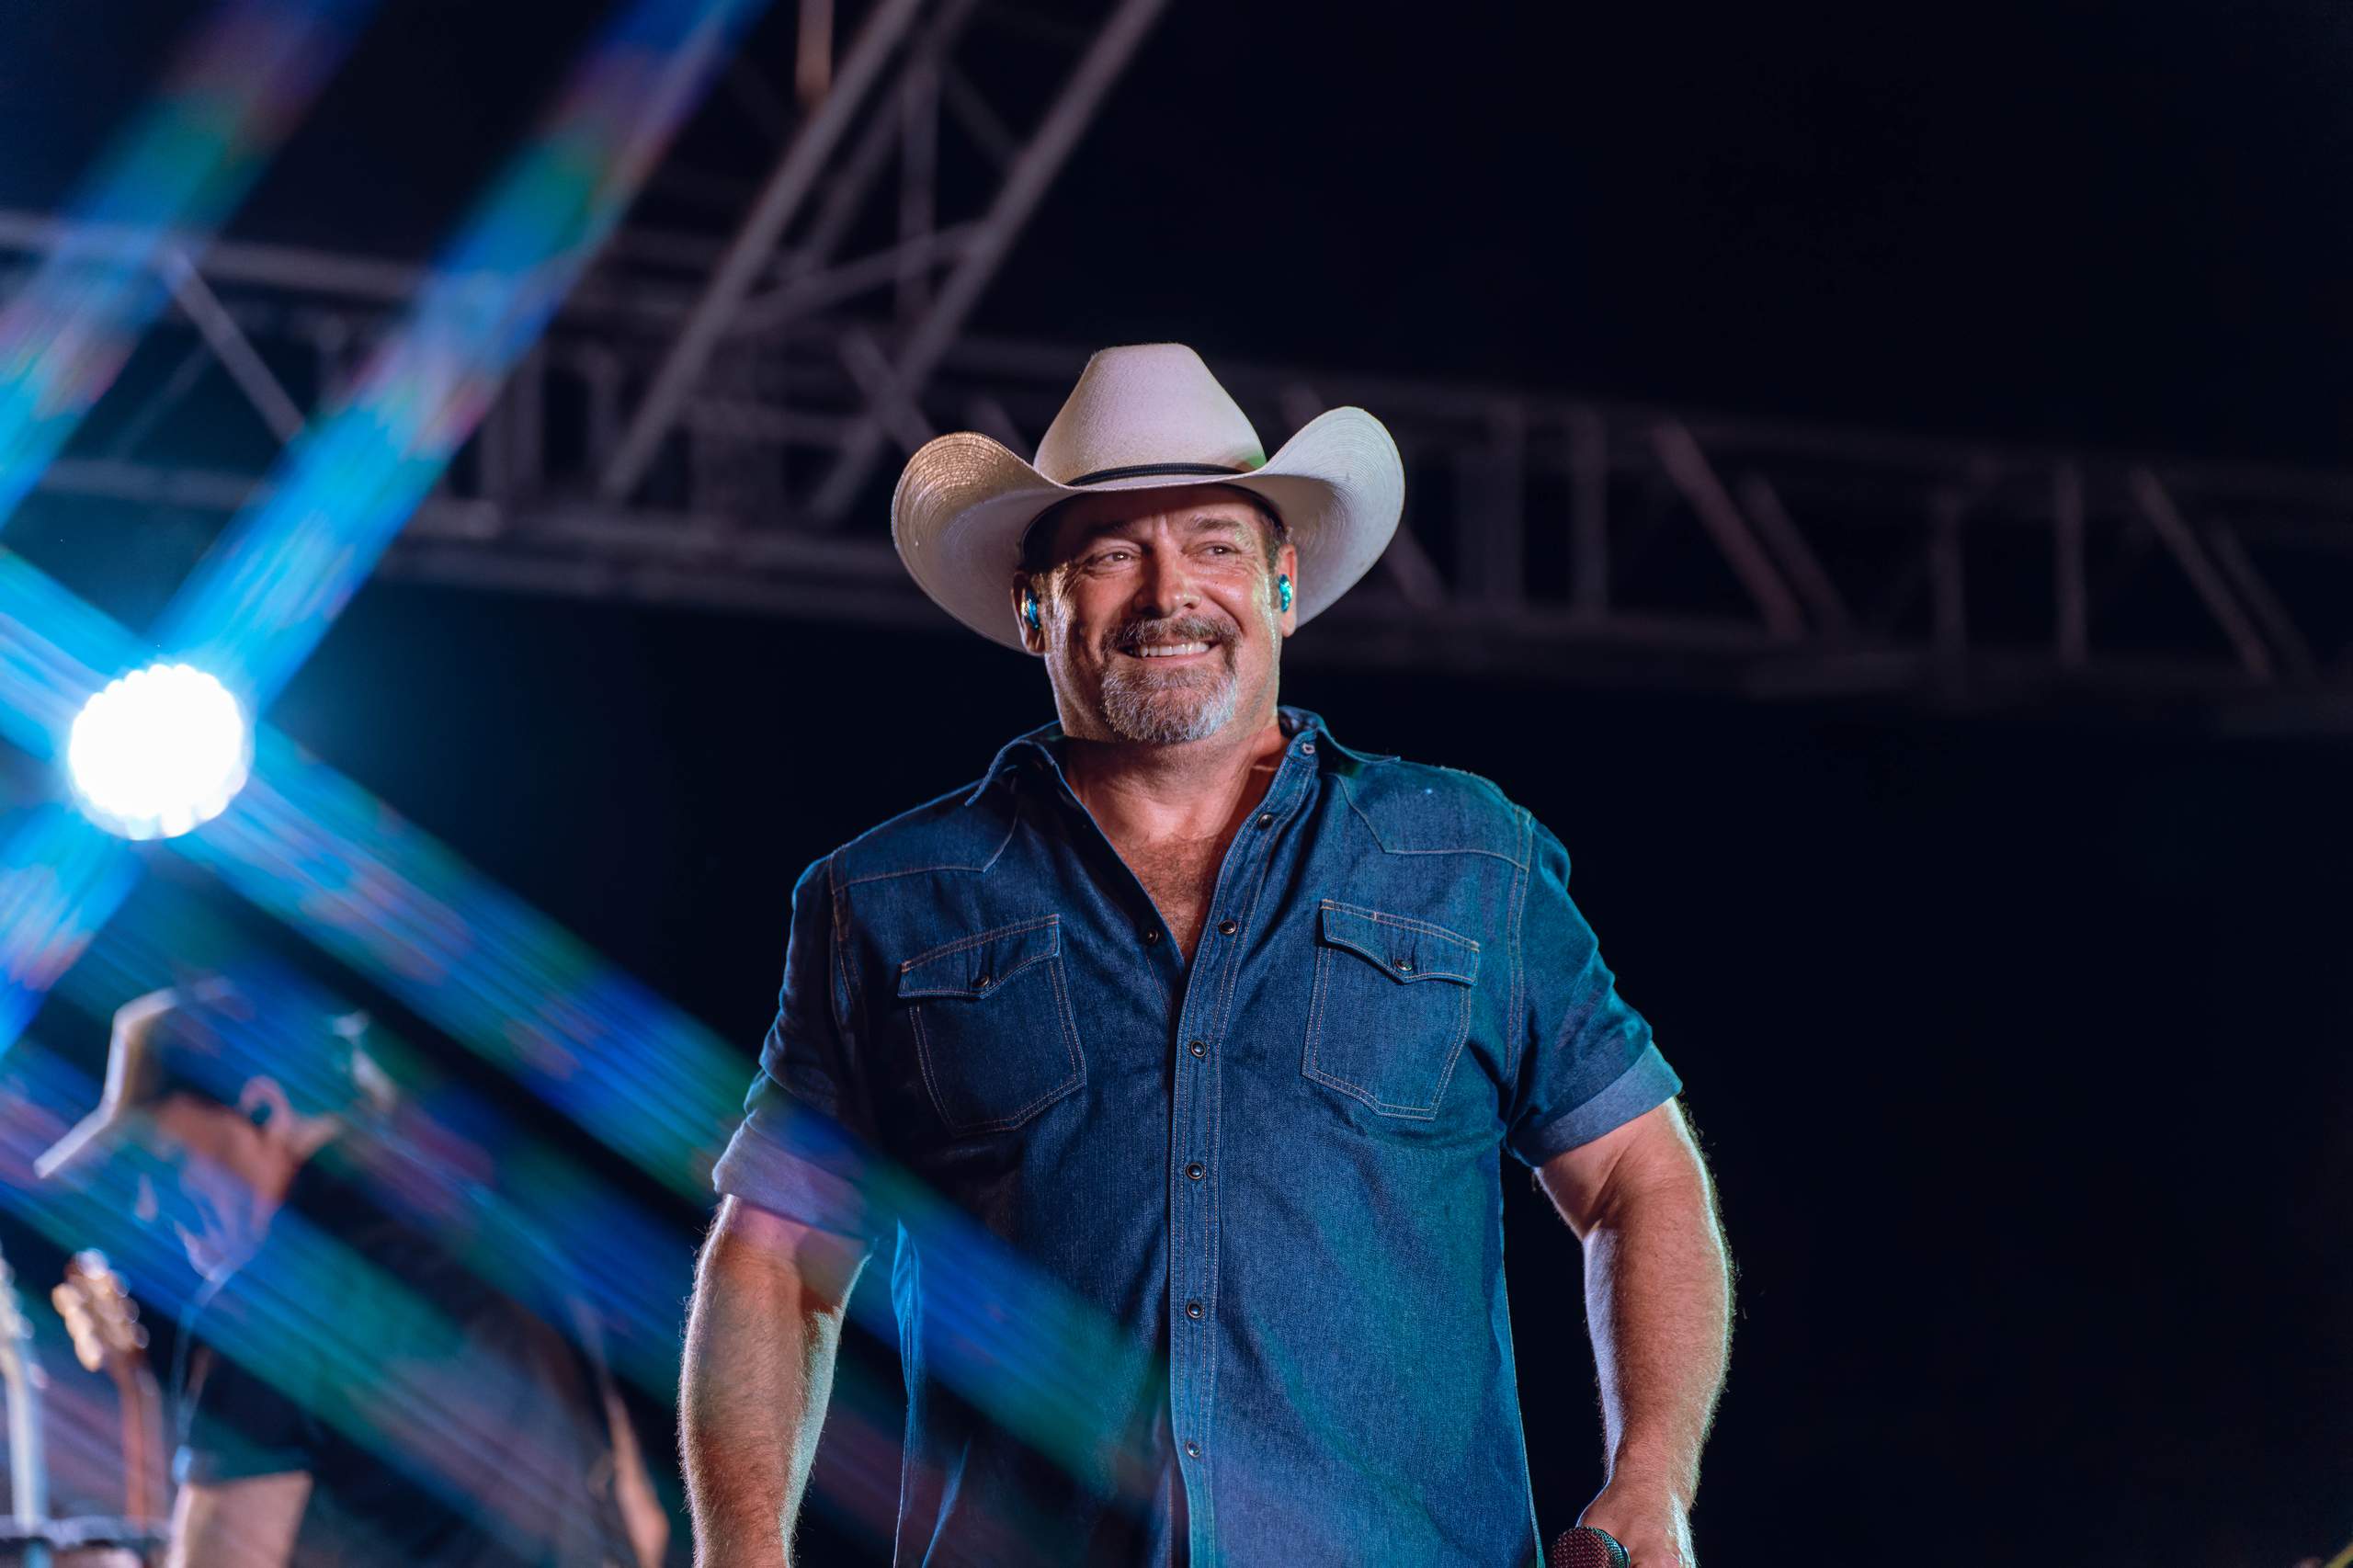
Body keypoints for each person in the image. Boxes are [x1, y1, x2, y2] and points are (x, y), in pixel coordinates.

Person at [682, 344, 1732, 1568]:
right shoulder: (882, 900)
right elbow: (771, 1261)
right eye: (1113, 548)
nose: (1169, 588)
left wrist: (1651, 1479)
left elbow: (1639, 1181)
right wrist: (739, 1554)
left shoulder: (1471, 858)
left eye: (1217, 543)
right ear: (1039, 604)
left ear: (1283, 581)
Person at [35, 974, 670, 1568]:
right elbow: (641, 1522)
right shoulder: (512, 1243)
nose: (148, 1207)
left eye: (164, 1165)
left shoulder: (272, 1300)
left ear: (261, 1111)